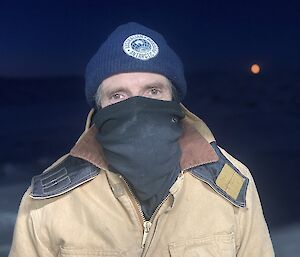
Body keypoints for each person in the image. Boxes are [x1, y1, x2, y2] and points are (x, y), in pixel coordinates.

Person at [9, 22, 275, 257]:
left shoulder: (232, 186)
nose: (137, 106)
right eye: (118, 96)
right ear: (99, 108)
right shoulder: (48, 201)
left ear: (175, 101)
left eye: (153, 91)